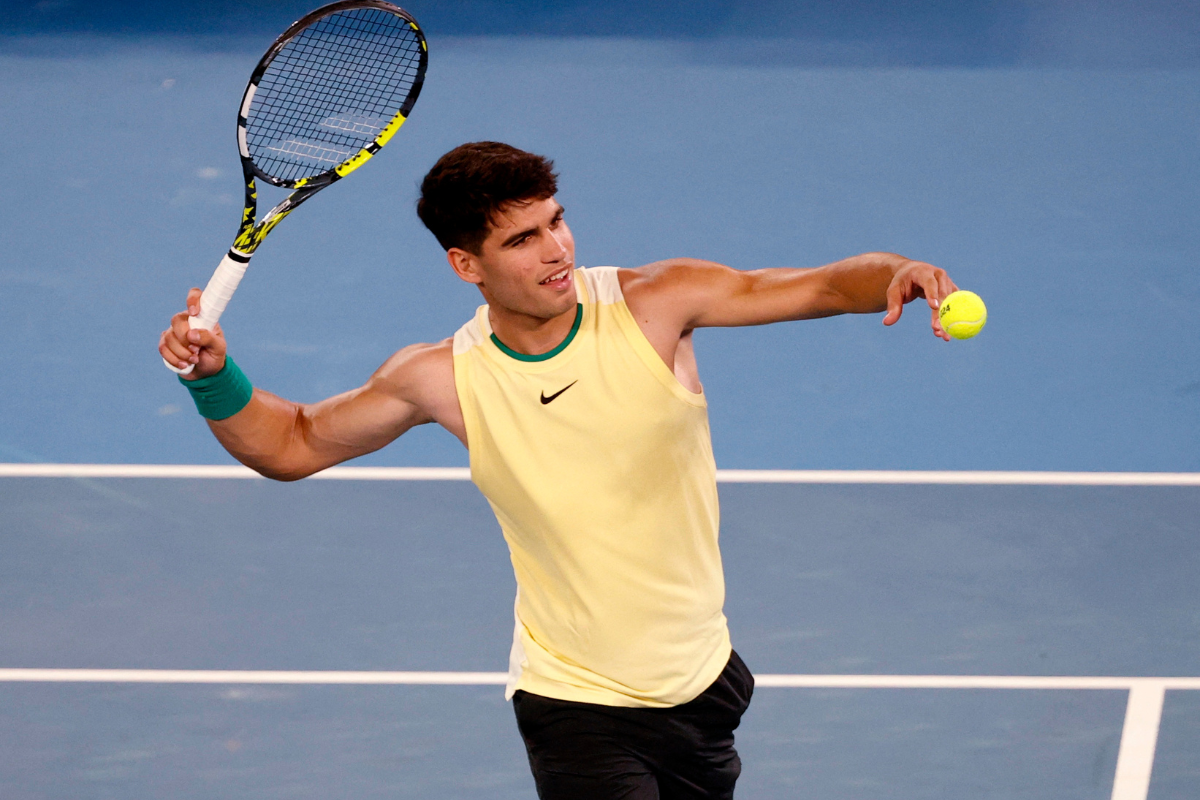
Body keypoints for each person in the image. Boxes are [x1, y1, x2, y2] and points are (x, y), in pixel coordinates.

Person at [159, 141, 958, 799]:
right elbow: (291, 444)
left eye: (556, 223)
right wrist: (212, 379)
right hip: (573, 696)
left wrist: (891, 274)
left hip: (700, 679)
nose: (557, 252)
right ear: (466, 266)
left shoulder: (655, 304)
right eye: (522, 239)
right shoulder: (440, 377)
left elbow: (813, 284)